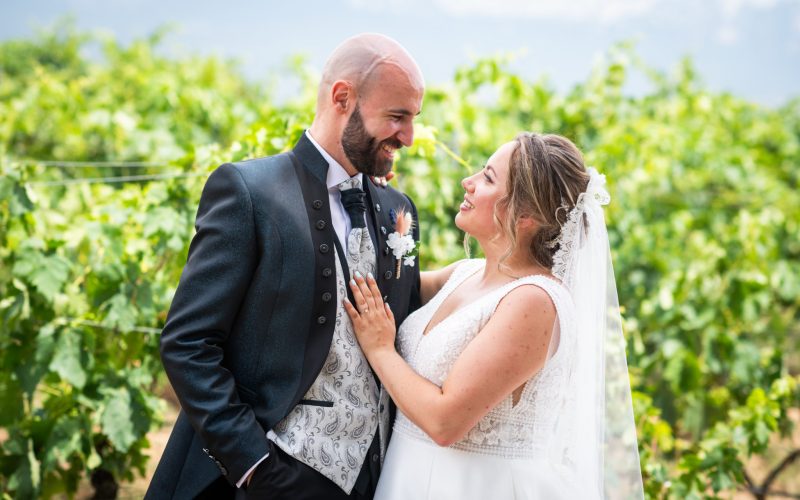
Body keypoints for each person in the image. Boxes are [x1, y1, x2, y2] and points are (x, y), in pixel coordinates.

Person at [146, 33, 425, 500]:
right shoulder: (249, 191)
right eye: (397, 117)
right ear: (342, 98)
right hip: (270, 476)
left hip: (373, 481)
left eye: (413, 119)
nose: (409, 137)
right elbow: (187, 343)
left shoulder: (398, 209)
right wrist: (253, 464)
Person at [344, 132, 645, 499]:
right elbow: (385, 284)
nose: (466, 183)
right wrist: (372, 192)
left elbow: (444, 421)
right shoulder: (464, 273)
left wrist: (381, 351)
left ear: (526, 215)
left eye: (487, 178)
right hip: (409, 475)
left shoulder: (535, 300)